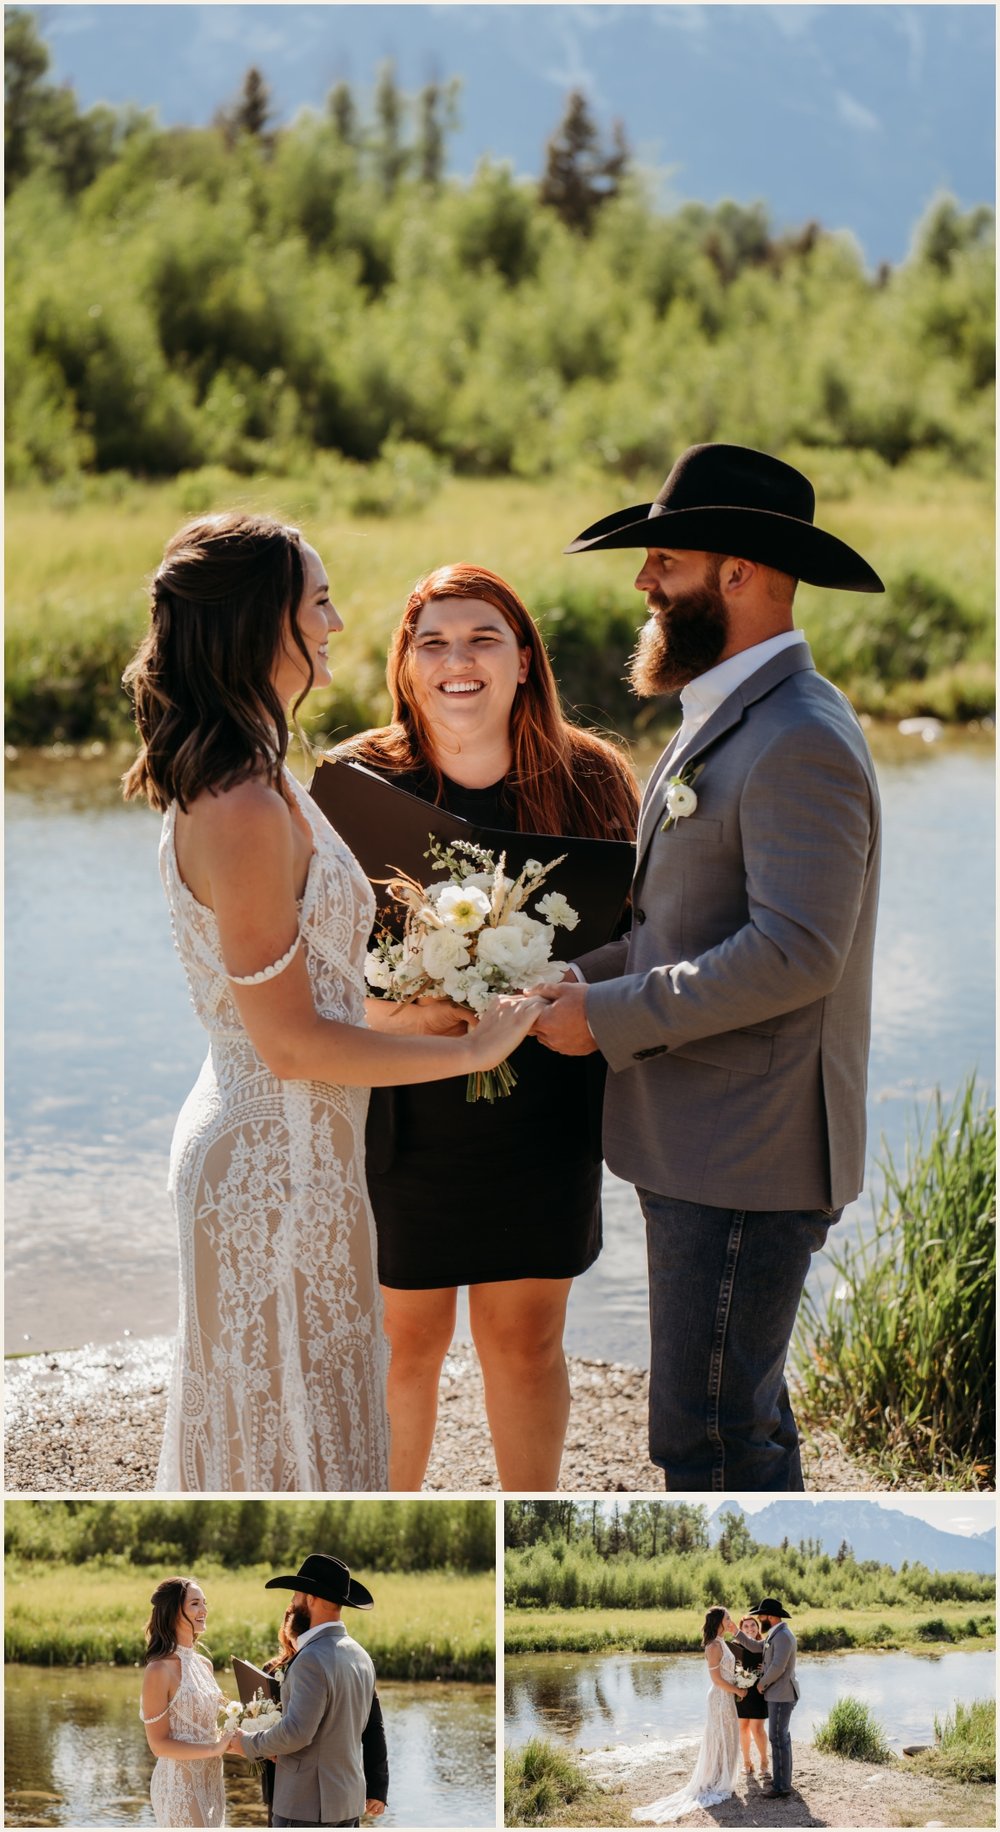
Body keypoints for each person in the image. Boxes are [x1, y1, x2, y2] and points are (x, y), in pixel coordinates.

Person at [122, 516, 544, 1492]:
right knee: (281, 1446)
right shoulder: (238, 806)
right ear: (261, 621)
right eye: (318, 602)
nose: (339, 622)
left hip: (311, 1158)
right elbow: (289, 1044)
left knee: (320, 1427)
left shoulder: (264, 774)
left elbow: (314, 995)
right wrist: (472, 1050)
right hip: (270, 1165)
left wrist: (425, 1014)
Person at [532, 443, 884, 1490]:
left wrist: (606, 1015)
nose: (644, 581)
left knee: (710, 1439)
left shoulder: (797, 739)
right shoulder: (732, 716)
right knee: (739, 1421)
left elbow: (794, 953)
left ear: (738, 573)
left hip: (747, 1155)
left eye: (666, 560)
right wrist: (566, 980)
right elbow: (677, 920)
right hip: (706, 1144)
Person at [335, 563, 639, 1489]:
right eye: (433, 642)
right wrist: (414, 1010)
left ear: (522, 662)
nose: (456, 661)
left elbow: (637, 936)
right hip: (402, 1107)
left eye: (482, 640)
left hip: (543, 1103)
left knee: (526, 1338)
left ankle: (527, 1509)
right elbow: (310, 964)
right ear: (405, 664)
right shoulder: (355, 781)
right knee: (403, 1339)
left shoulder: (591, 778)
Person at [231, 1553, 385, 1828]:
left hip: (306, 1807)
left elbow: (297, 1733)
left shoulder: (312, 1658)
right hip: (346, 1804)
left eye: (296, 1595)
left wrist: (246, 1743)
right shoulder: (361, 1655)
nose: (292, 1602)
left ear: (311, 1598)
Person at [260, 1606, 389, 1824]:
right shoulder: (272, 1670)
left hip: (326, 1793)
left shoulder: (339, 1661)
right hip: (281, 1783)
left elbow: (373, 1726)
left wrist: (377, 1786)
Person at [632, 1606, 746, 1823]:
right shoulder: (713, 1646)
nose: (731, 1620)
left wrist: (741, 1681)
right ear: (718, 1622)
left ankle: (723, 1777)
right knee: (719, 1736)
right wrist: (739, 1690)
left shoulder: (723, 1642)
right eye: (728, 1618)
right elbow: (717, 1681)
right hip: (719, 1698)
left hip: (728, 1697)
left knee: (729, 1736)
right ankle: (715, 1780)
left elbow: (730, 1671)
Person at [139, 1576, 231, 1827]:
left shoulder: (205, 1665)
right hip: (179, 1785)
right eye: (194, 1604)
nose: (204, 1611)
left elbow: (208, 1732)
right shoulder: (158, 1670)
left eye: (204, 1603)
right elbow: (158, 1745)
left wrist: (251, 1744)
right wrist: (214, 1749)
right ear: (173, 1612)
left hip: (212, 1780)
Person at [732, 1598, 799, 1799]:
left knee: (778, 1739)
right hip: (778, 1693)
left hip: (781, 1694)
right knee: (781, 1738)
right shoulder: (775, 1634)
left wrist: (761, 1684)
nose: (760, 1619)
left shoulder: (783, 1637)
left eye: (761, 1616)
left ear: (770, 1616)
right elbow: (754, 1646)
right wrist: (736, 1632)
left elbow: (778, 1667)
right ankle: (782, 1781)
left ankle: (781, 1787)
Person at [727, 1614, 770, 1778]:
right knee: (742, 1727)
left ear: (758, 1628)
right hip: (741, 1691)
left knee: (757, 1729)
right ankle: (747, 1762)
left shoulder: (764, 1645)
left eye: (753, 1625)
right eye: (746, 1626)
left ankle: (764, 1761)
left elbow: (774, 1665)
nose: (750, 1628)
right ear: (741, 1629)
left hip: (758, 1691)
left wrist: (765, 1668)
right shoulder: (733, 1647)